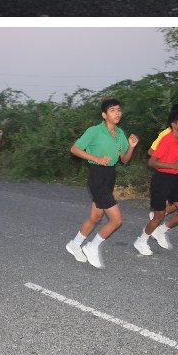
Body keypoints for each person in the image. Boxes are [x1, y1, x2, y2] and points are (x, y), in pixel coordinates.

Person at [66, 97, 139, 269]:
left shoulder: (120, 133)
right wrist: (96, 158)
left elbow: (125, 159)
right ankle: (92, 247)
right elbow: (74, 149)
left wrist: (131, 146)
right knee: (116, 219)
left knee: (96, 217)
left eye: (119, 110)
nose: (117, 113)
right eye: (113, 110)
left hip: (110, 175)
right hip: (97, 175)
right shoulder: (94, 131)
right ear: (104, 114)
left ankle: (74, 244)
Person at [135, 105, 178, 255]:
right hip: (161, 180)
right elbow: (152, 161)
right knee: (158, 216)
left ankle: (161, 230)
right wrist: (173, 165)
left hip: (174, 180)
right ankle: (141, 241)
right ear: (173, 124)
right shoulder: (167, 139)